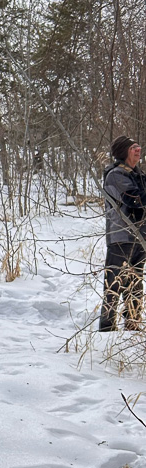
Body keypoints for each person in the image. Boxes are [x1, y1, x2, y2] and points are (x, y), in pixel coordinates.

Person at [100, 134, 146, 331]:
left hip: (139, 237)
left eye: (138, 146)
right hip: (121, 237)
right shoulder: (116, 175)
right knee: (114, 283)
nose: (138, 149)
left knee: (135, 283)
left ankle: (132, 324)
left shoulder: (139, 175)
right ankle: (107, 329)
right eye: (133, 147)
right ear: (123, 152)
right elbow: (135, 200)